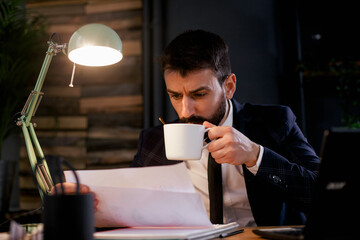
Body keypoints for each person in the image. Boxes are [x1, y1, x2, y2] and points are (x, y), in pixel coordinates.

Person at [53, 29, 320, 227]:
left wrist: (255, 155)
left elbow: (324, 197)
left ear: (229, 86)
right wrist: (84, 204)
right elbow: (129, 208)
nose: (184, 111)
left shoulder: (275, 122)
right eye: (175, 96)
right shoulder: (153, 141)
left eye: (199, 94)